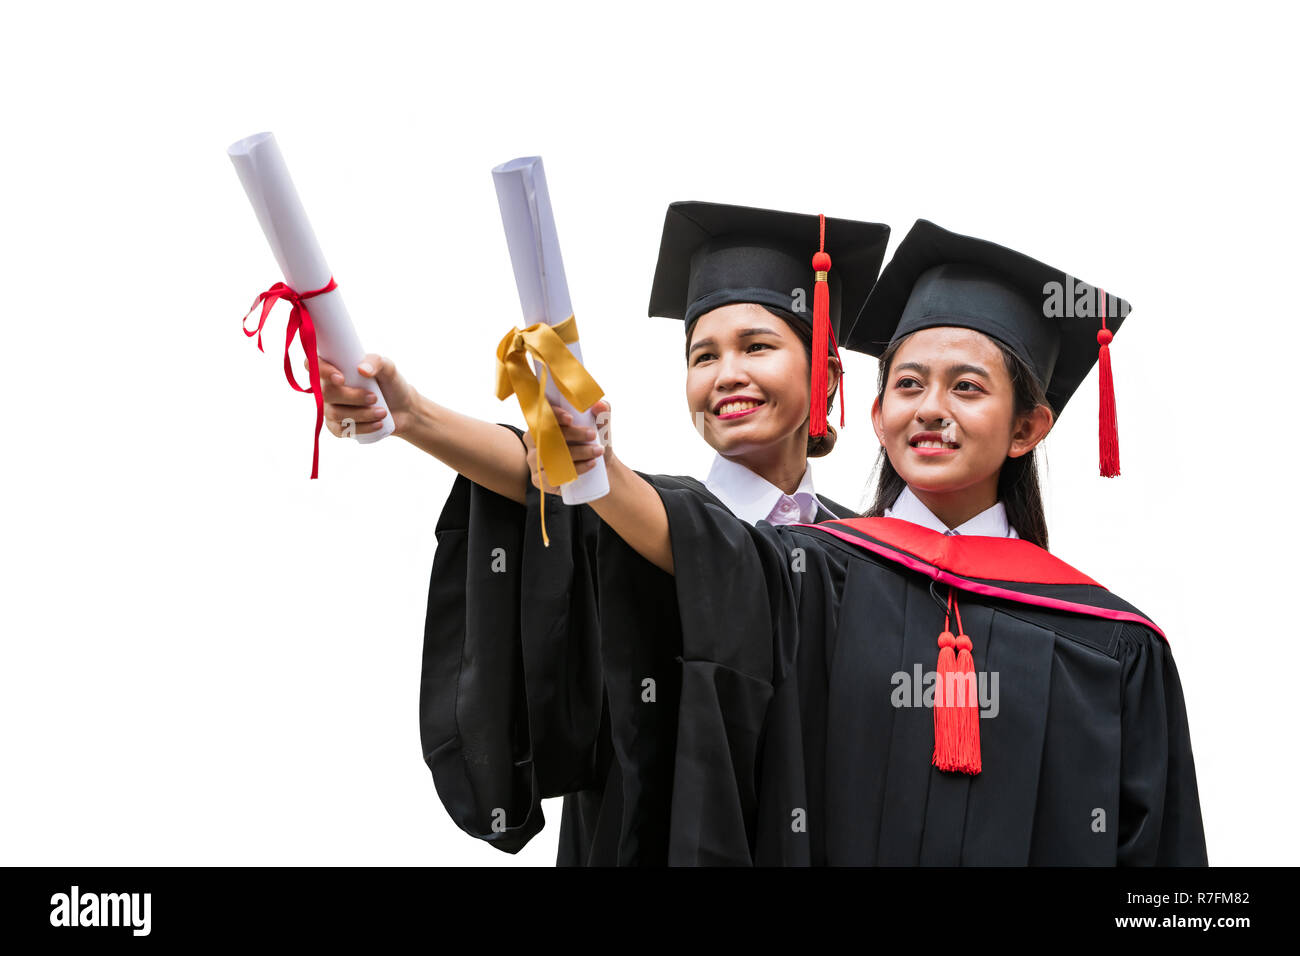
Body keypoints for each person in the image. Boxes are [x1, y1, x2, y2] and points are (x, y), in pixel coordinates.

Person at [543, 219, 1208, 865]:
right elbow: (690, 541)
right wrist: (595, 466)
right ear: (878, 416)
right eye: (909, 384)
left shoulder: (1114, 647)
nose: (929, 409)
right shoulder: (811, 577)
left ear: (1027, 429)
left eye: (967, 387)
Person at [315, 202, 889, 863]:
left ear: (826, 372)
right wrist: (412, 415)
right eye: (703, 355)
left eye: (757, 346)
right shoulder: (641, 515)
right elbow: (548, 484)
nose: (726, 374)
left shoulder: (866, 550)